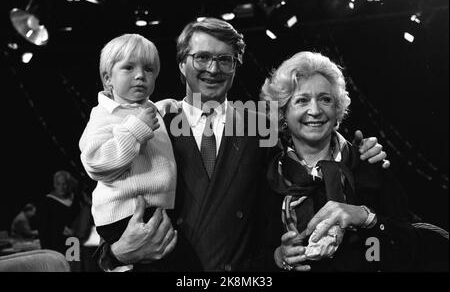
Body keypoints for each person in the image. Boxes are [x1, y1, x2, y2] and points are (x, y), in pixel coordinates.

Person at [95, 18, 389, 272]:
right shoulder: (151, 122)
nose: (214, 68)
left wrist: (361, 152)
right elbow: (113, 200)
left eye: (226, 60)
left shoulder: (260, 124)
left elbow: (312, 140)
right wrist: (117, 254)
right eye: (202, 57)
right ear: (182, 63)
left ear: (236, 66)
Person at [260, 51, 420, 271]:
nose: (315, 111)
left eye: (325, 99)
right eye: (302, 100)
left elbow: (410, 245)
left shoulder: (370, 164)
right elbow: (249, 257)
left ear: (337, 110)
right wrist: (278, 257)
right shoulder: (268, 177)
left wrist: (366, 218)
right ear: (283, 113)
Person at [79, 34, 177, 270]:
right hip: (123, 216)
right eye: (129, 67)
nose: (140, 75)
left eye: (149, 69)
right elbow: (96, 162)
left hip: (153, 211)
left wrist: (177, 105)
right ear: (107, 79)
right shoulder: (104, 114)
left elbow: (160, 108)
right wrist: (136, 130)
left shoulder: (149, 108)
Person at [37, 170, 80, 254]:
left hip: (73, 243)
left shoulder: (75, 201)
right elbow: (43, 229)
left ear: (68, 185)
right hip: (55, 245)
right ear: (54, 185)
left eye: (64, 184)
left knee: (73, 266)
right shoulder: (47, 202)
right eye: (58, 184)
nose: (62, 187)